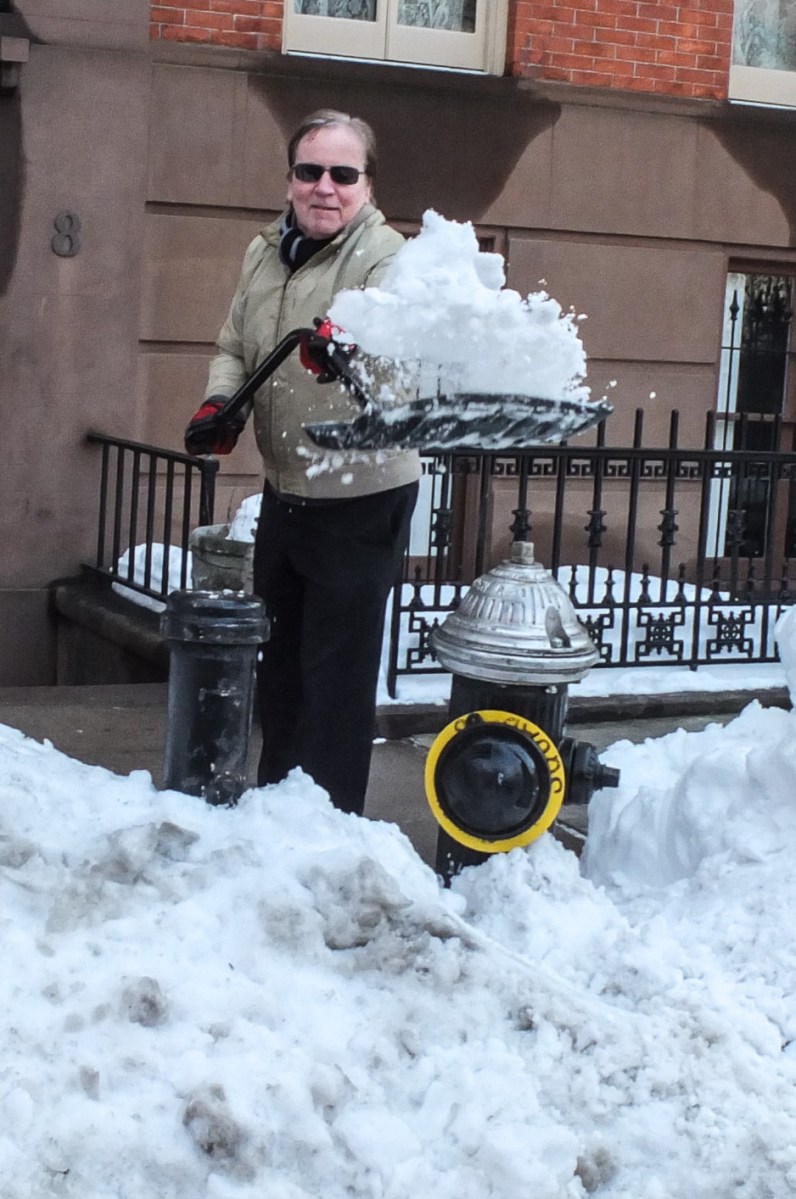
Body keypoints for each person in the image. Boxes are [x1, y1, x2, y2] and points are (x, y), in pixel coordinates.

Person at [185, 109, 421, 816]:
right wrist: (220, 403)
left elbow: (403, 373)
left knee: (334, 683)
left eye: (343, 174)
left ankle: (328, 829)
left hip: (362, 498)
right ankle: (275, 816)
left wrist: (348, 353)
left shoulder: (390, 259)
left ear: (368, 186)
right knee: (279, 670)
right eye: (310, 171)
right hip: (287, 490)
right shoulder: (264, 251)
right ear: (290, 181)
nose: (325, 187)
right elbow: (234, 342)